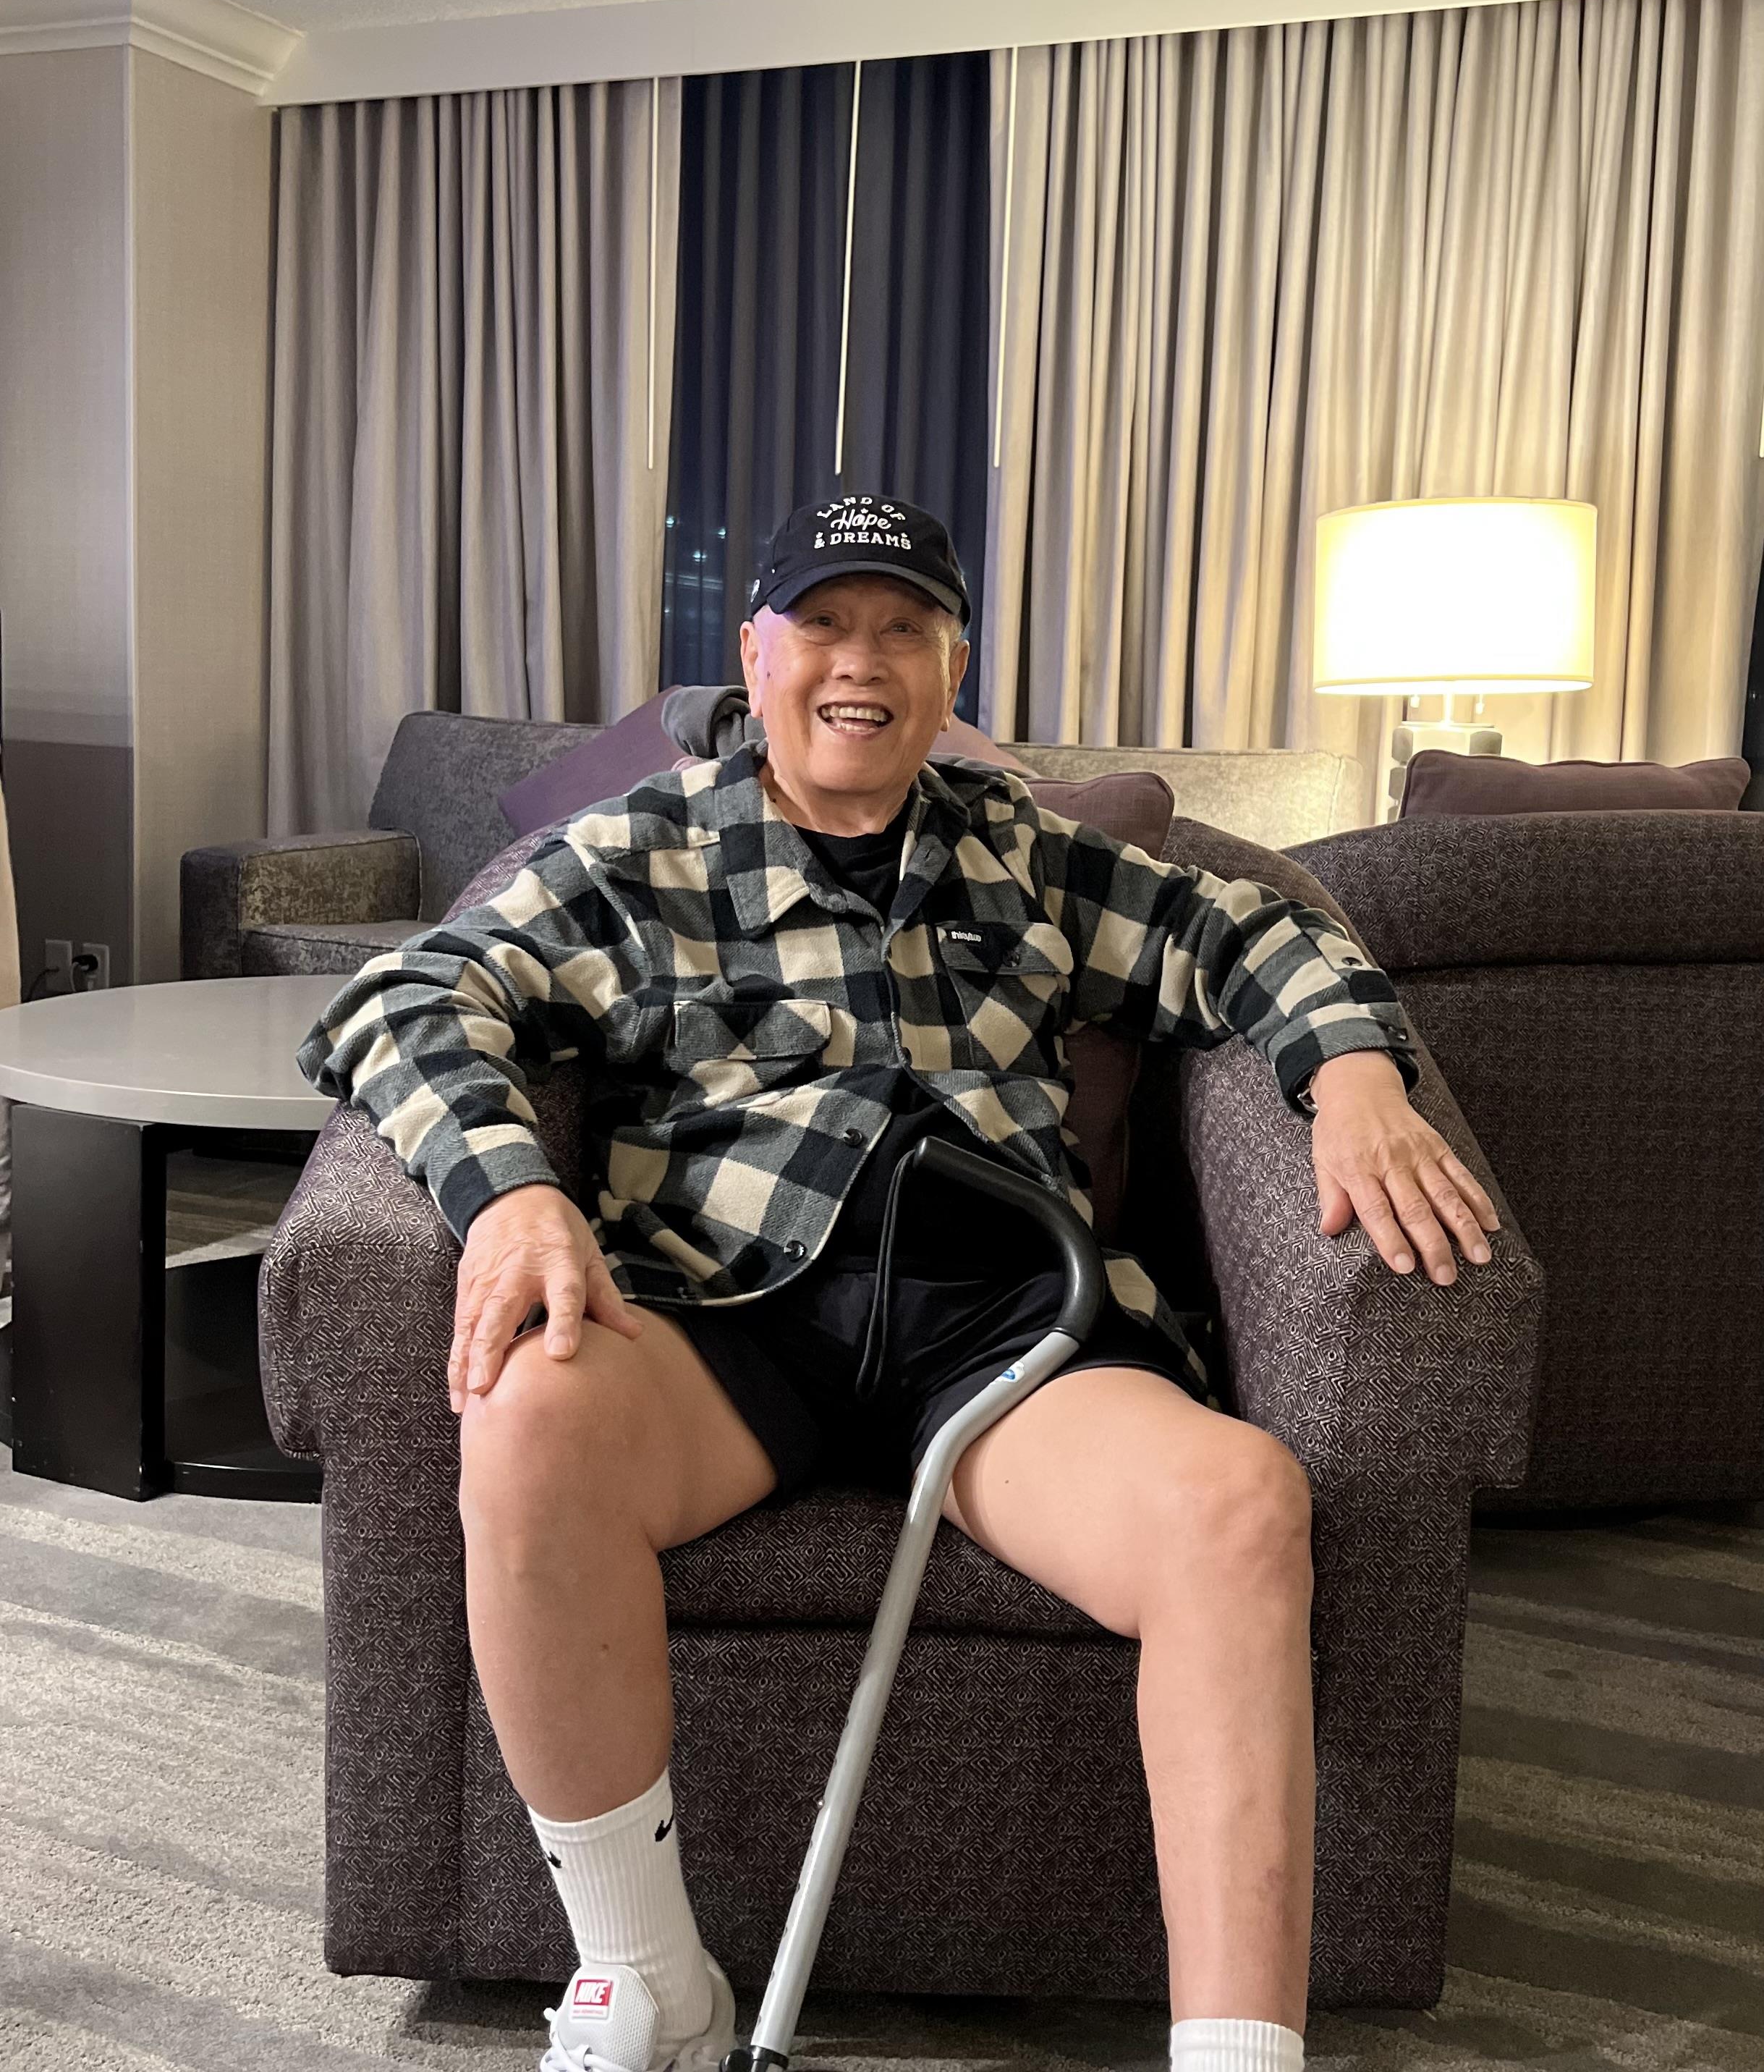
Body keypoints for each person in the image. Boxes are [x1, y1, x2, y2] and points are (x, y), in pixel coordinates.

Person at [297, 493, 1499, 2072]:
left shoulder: (1035, 859)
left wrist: (1349, 1070)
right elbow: (406, 1000)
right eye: (823, 624)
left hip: (1006, 1334)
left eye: (902, 630)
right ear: (754, 650)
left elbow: (1269, 938)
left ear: (950, 668)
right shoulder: (635, 857)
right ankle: (645, 1973)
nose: (858, 664)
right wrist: (515, 1194)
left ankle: (1237, 2053)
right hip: (722, 1312)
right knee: (527, 1420)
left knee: (1238, 1506)